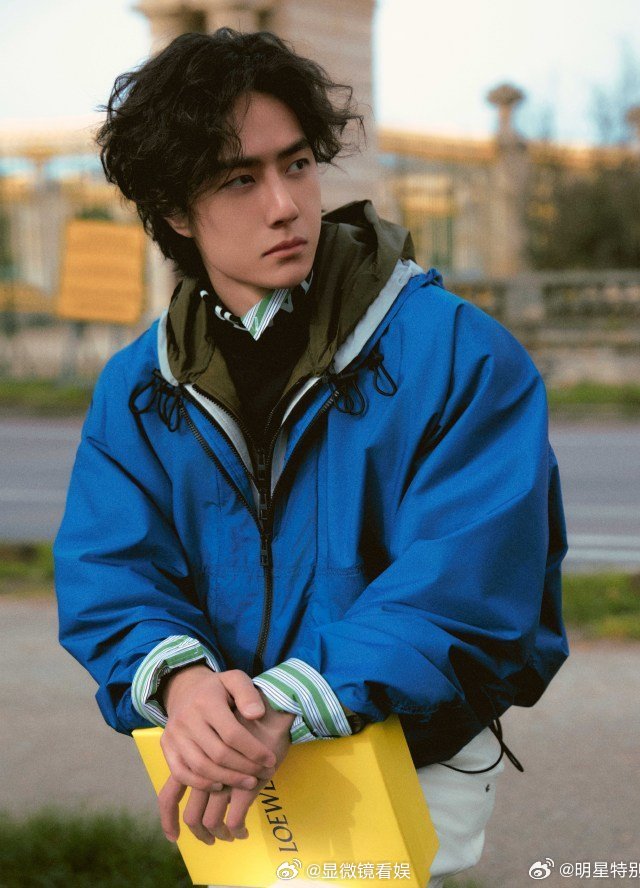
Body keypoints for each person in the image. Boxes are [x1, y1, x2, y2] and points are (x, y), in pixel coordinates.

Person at [54, 28, 569, 887]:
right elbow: (111, 570)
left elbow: (472, 582)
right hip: (233, 779)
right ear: (175, 212)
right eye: (239, 180)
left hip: (411, 758)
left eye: (295, 165)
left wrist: (288, 702)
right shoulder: (137, 387)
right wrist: (183, 686)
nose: (285, 205)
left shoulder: (458, 352)